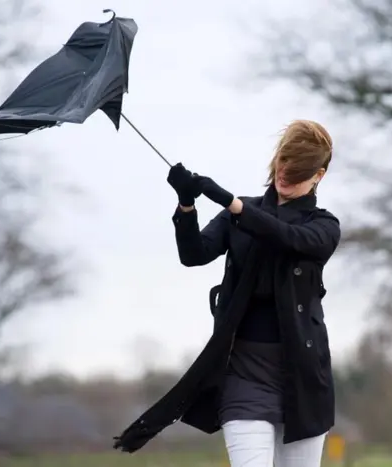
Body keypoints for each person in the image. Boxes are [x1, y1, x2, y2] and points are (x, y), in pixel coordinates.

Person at [113, 120, 340, 467]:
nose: (285, 175)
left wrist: (233, 204)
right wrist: (187, 205)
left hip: (303, 379)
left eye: (298, 173)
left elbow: (287, 237)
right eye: (283, 164)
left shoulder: (323, 226)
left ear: (318, 176)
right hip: (243, 375)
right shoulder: (240, 215)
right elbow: (194, 255)